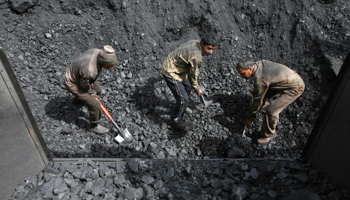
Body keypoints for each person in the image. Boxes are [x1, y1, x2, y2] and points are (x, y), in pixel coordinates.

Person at [236, 58, 305, 144]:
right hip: (282, 80)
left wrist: (250, 116)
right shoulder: (258, 64)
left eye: (242, 73)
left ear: (250, 68)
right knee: (259, 96)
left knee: (271, 110)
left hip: (295, 87)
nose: (241, 76)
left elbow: (258, 98)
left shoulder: (260, 79)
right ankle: (263, 105)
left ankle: (269, 135)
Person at [161, 34, 218, 129]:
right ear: (202, 44)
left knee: (187, 87)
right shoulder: (196, 57)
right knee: (184, 98)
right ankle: (176, 119)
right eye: (209, 48)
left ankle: (182, 106)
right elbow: (193, 77)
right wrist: (198, 90)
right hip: (170, 71)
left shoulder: (195, 42)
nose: (211, 52)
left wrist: (195, 87)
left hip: (179, 67)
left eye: (213, 49)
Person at [64, 45, 117, 134]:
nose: (112, 68)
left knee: (98, 91)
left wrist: (88, 80)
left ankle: (79, 99)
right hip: (73, 82)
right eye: (110, 66)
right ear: (103, 63)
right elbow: (83, 86)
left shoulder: (97, 52)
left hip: (79, 74)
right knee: (96, 105)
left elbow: (86, 77)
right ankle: (94, 126)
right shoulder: (91, 71)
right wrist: (91, 93)